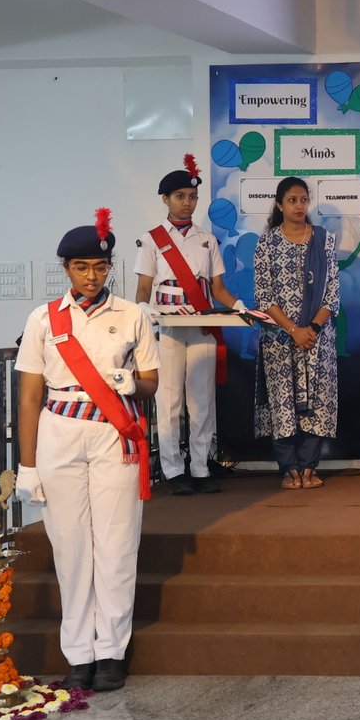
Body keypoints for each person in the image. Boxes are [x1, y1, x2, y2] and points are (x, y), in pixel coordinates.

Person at [14, 209, 160, 692]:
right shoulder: (43, 319)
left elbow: (151, 382)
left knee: (117, 544)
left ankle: (111, 650)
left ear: (110, 267)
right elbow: (30, 397)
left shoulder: (132, 315)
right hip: (60, 432)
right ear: (66, 269)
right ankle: (78, 653)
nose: (91, 276)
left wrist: (131, 384)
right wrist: (27, 465)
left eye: (99, 267)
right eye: (81, 267)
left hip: (114, 435)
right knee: (70, 546)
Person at [133, 155, 243, 496]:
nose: (187, 203)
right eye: (180, 196)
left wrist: (239, 307)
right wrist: (143, 310)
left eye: (192, 197)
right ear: (165, 199)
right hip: (167, 326)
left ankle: (200, 466)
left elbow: (218, 289)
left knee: (202, 400)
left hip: (201, 324)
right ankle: (172, 469)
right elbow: (144, 287)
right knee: (168, 401)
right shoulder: (152, 240)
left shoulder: (207, 240)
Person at [253, 177, 340, 491]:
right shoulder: (267, 243)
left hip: (317, 338)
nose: (299, 205)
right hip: (279, 339)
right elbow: (264, 296)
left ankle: (309, 467)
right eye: (292, 200)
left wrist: (311, 329)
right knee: (282, 402)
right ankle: (289, 468)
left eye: (303, 199)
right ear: (279, 204)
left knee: (317, 401)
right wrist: (293, 330)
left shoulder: (324, 240)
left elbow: (332, 293)